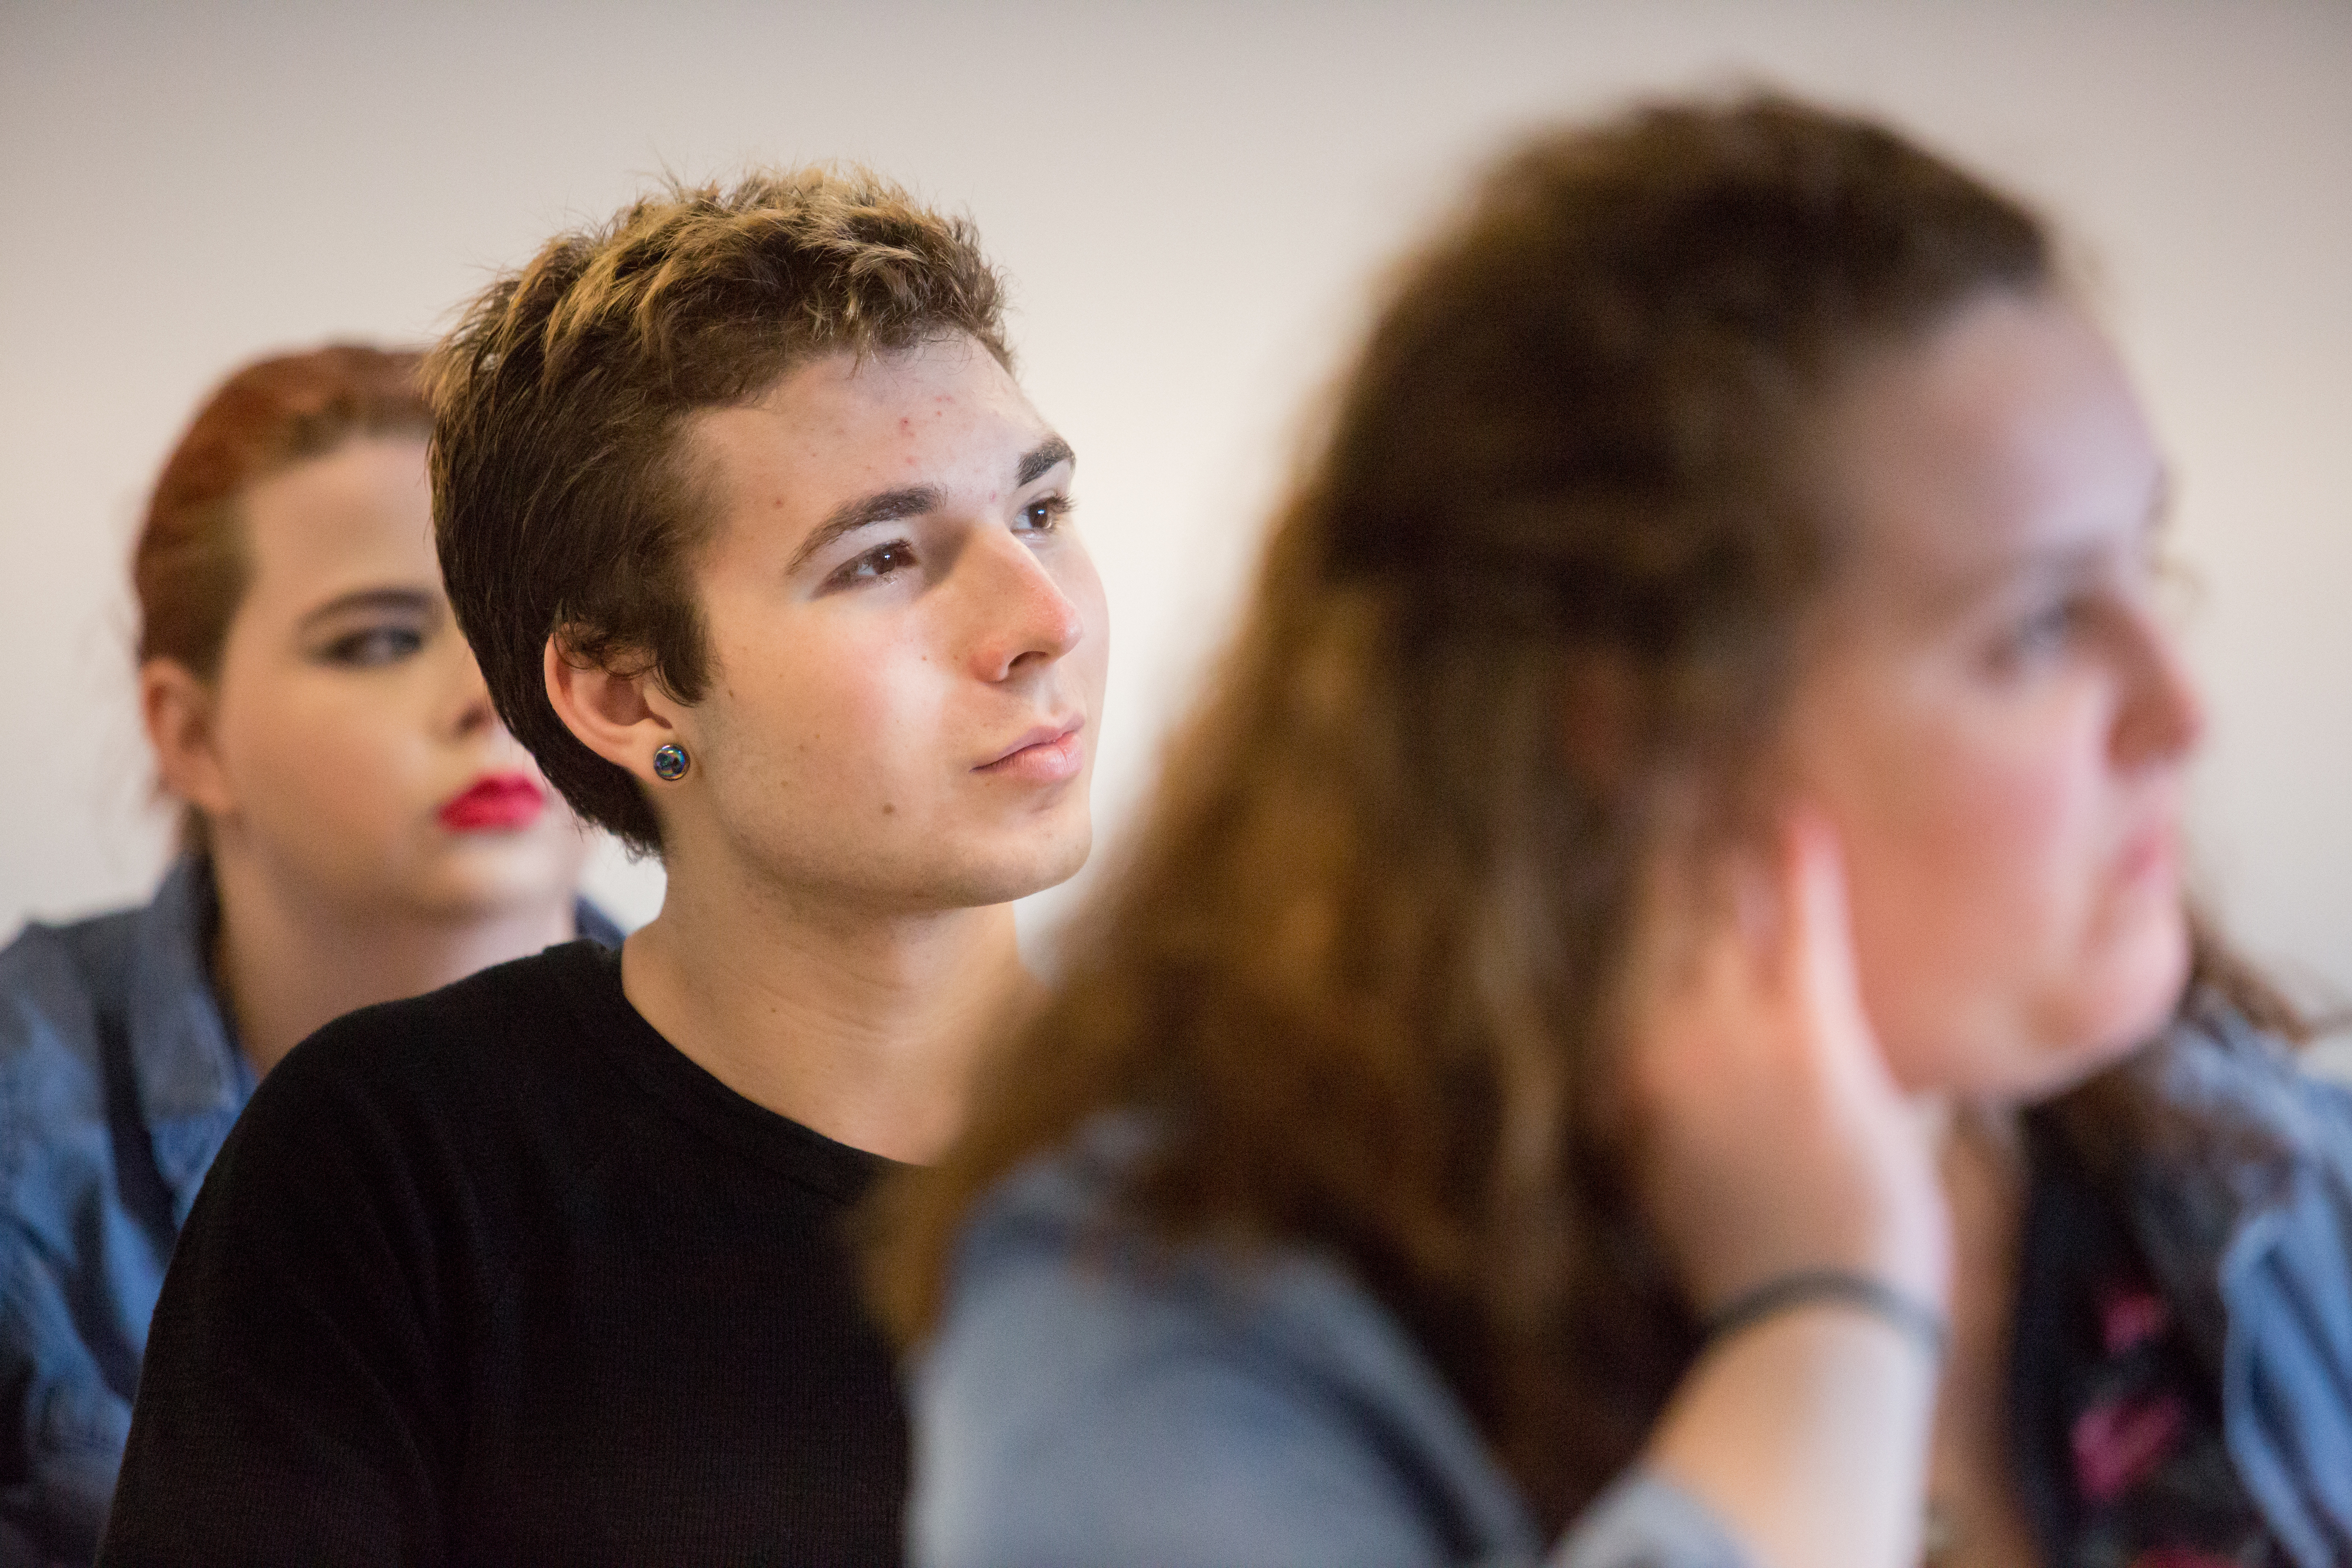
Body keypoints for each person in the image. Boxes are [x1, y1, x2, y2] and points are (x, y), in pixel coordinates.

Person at [876, 96, 2352, 1568]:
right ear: (1636, 744)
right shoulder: (1157, 1351)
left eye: (2146, 571)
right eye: (2033, 633)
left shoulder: (2261, 1181)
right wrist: (1825, 1325)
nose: (2180, 713)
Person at [97, 168, 1107, 1567]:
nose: (1041, 619)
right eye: (883, 559)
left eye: (1042, 512)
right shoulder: (391, 1174)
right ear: (628, 697)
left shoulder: (1275, 1161)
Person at [0, 344, 608, 1567]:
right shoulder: (26, 1121)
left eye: (532, 626)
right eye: (379, 641)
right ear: (192, 732)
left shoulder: (771, 1087)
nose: (490, 696)